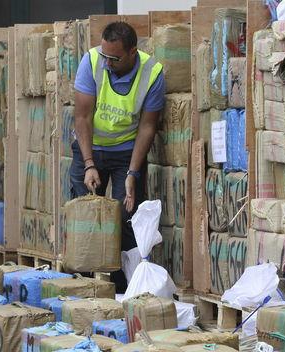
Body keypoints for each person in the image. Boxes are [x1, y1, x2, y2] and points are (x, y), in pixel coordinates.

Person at [70, 21, 165, 292]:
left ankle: (124, 288)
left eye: (115, 58)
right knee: (87, 216)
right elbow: (82, 116)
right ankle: (85, 285)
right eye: (105, 56)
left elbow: (148, 126)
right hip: (90, 147)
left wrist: (133, 174)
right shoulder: (91, 61)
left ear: (132, 51)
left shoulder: (152, 72)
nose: (108, 62)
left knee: (127, 216)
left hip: (126, 151)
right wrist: (89, 164)